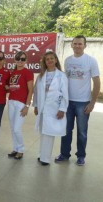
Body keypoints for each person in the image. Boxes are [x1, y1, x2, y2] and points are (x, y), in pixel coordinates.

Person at [55, 35, 101, 166]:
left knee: (82, 131)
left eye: (80, 44)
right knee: (66, 130)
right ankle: (64, 154)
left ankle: (81, 156)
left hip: (83, 102)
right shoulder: (68, 61)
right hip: (68, 102)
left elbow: (97, 82)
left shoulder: (91, 61)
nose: (77, 46)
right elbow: (65, 81)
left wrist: (92, 102)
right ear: (71, 45)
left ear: (85, 46)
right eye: (75, 43)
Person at [33, 51, 68, 166]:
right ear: (45, 62)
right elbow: (36, 92)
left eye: (52, 58)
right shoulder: (41, 75)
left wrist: (62, 109)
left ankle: (45, 159)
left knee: (49, 133)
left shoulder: (61, 76)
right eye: (47, 59)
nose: (49, 61)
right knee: (43, 132)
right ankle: (41, 154)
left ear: (56, 60)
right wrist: (36, 105)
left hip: (54, 108)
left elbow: (65, 94)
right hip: (42, 108)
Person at [7, 51, 34, 159]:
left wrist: (27, 106)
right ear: (15, 60)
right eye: (18, 59)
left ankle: (21, 149)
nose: (20, 61)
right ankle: (15, 148)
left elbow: (31, 90)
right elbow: (13, 87)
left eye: (23, 59)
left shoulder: (28, 72)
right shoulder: (12, 72)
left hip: (21, 103)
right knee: (13, 128)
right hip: (11, 102)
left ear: (26, 61)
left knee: (17, 128)